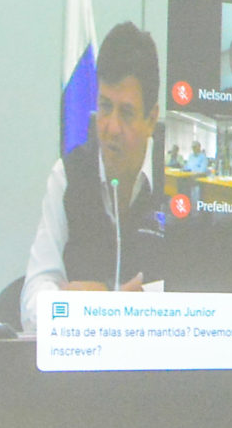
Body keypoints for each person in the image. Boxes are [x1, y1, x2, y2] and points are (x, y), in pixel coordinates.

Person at [22, 22, 167, 335]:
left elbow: (204, 294)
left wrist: (132, 308)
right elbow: (32, 299)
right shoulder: (68, 176)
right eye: (105, 107)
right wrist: (79, 308)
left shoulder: (175, 179)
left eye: (126, 113)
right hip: (84, 357)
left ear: (151, 118)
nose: (111, 127)